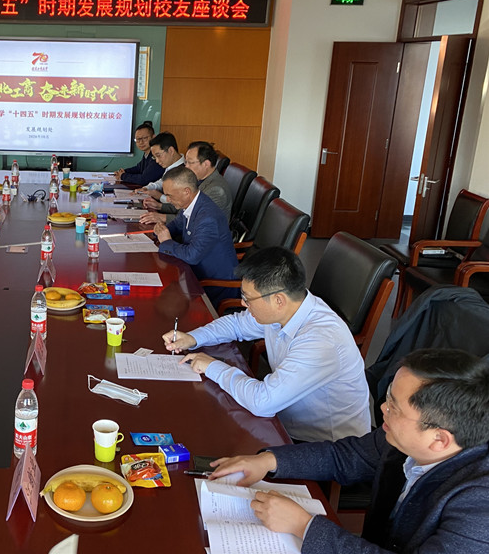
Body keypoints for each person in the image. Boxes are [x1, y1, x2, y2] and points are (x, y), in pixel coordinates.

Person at [208, 349, 489, 554]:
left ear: (439, 439)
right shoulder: (402, 438)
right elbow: (345, 456)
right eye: (388, 397)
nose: (382, 408)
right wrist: (268, 460)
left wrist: (304, 526)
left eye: (394, 407)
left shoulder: (480, 504)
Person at [164, 246, 371, 442]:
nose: (243, 304)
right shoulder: (287, 308)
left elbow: (263, 402)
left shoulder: (321, 340)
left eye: (248, 299)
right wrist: (192, 338)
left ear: (278, 300)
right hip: (284, 417)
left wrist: (211, 366)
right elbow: (237, 324)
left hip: (324, 445)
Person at [152, 165, 238, 307]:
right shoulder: (191, 204)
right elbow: (176, 225)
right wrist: (161, 230)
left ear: (186, 191)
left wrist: (166, 241)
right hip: (193, 273)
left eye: (170, 195)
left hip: (215, 285)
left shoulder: (208, 218)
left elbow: (192, 255)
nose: (167, 199)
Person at [141, 141, 232, 222]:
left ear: (206, 164)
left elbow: (193, 220)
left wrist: (163, 218)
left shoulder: (216, 190)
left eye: (190, 162)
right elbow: (183, 205)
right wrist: (159, 206)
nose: (186, 167)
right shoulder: (199, 179)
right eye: (186, 162)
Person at [135, 131, 184, 204]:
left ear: (171, 151)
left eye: (158, 155)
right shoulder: (171, 166)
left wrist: (159, 196)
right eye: (154, 157)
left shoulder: (184, 171)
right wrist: (147, 188)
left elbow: (180, 203)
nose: (157, 161)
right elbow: (162, 182)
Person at [115, 121, 164, 185]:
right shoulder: (147, 153)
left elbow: (144, 179)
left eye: (145, 138)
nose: (141, 142)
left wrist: (123, 175)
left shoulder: (157, 155)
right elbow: (139, 168)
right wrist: (124, 171)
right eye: (138, 139)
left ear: (153, 137)